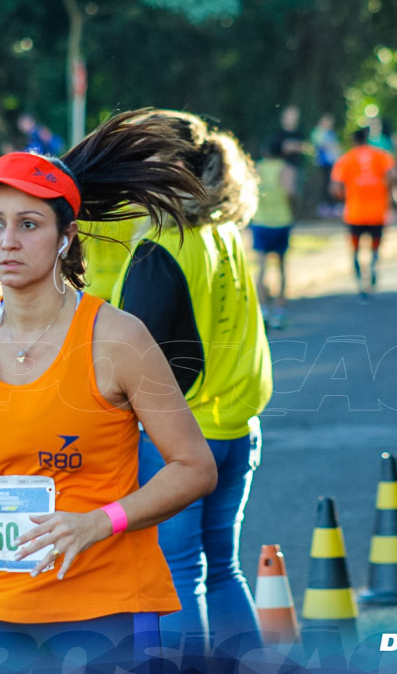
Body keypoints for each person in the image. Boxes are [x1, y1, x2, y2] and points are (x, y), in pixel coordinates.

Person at [0, 110, 218, 671]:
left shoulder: (117, 337)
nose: (7, 240)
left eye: (29, 224)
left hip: (101, 604)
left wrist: (97, 522)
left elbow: (195, 467)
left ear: (65, 237)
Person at [112, 111, 273, 668]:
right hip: (238, 427)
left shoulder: (163, 241)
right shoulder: (223, 228)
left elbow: (139, 354)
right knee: (220, 566)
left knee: (178, 571)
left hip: (181, 437)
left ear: (167, 166)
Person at [330, 127, 397, 300]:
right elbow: (393, 175)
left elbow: (335, 186)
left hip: (355, 212)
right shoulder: (381, 155)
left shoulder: (345, 159)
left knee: (355, 250)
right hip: (377, 211)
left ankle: (360, 284)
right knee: (375, 247)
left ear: (353, 141)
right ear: (367, 139)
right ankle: (373, 269)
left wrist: (346, 194)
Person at [251, 140, 295, 329]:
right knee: (281, 267)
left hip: (260, 222)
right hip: (281, 221)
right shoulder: (286, 169)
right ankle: (280, 311)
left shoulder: (256, 168)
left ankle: (262, 310)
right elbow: (290, 192)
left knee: (261, 267)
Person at [266, 105, 306, 220]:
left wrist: (293, 147)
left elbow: (303, 147)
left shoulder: (299, 133)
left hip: (296, 167)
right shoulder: (278, 134)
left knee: (294, 194)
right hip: (281, 169)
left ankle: (292, 217)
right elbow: (276, 150)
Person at [310, 112, 341, 218]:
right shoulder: (318, 132)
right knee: (324, 183)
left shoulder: (331, 133)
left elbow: (335, 147)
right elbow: (321, 145)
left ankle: (333, 205)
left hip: (332, 163)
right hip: (323, 163)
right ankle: (324, 206)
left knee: (332, 183)